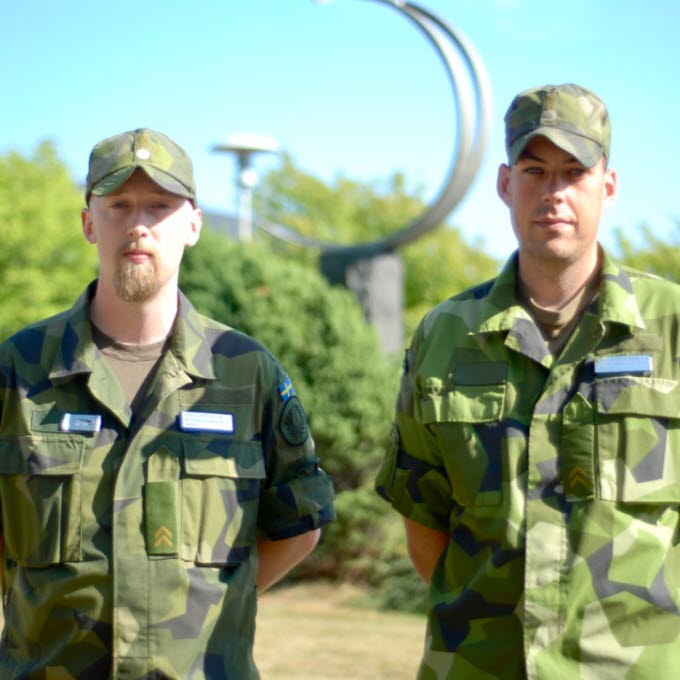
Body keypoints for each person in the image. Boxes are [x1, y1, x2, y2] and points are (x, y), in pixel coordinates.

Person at [0, 128, 335, 678]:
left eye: (159, 206)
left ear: (193, 224)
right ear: (89, 222)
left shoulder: (244, 371)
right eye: (119, 206)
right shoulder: (20, 369)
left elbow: (299, 523)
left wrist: (210, 608)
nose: (138, 225)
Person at [376, 83, 680, 678]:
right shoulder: (445, 334)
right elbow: (424, 521)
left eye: (575, 172)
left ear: (608, 188)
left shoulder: (670, 327)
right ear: (505, 184)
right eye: (535, 170)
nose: (554, 193)